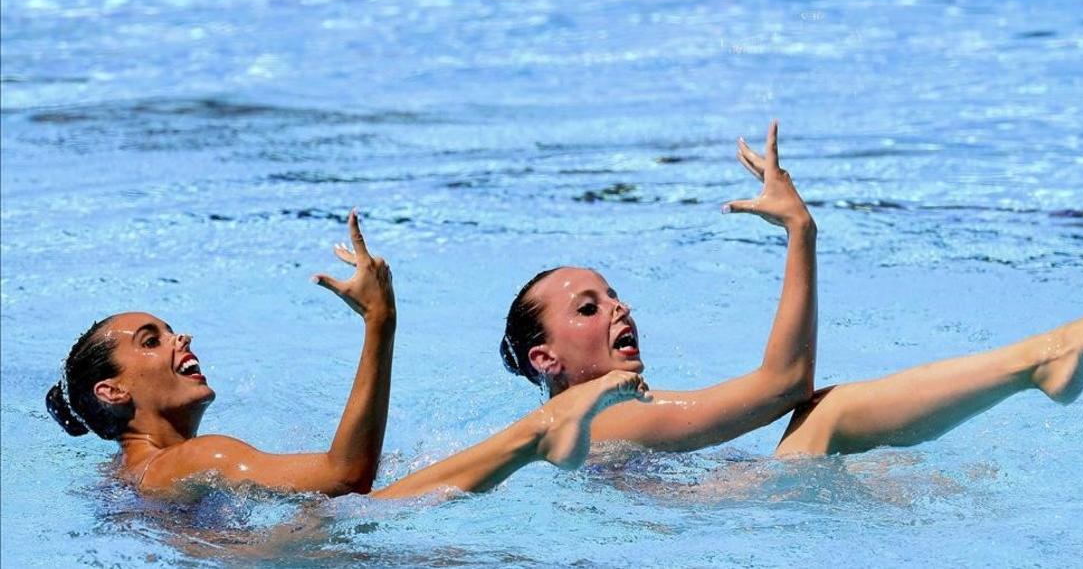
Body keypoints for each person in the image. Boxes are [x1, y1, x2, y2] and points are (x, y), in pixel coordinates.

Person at [500, 121, 1083, 456]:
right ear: (545, 358)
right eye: (588, 307)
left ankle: (1039, 364)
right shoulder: (604, 419)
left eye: (612, 294)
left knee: (834, 426)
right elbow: (783, 383)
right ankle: (1038, 359)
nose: (618, 306)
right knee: (825, 414)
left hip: (764, 510)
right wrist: (800, 231)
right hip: (765, 516)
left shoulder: (587, 423)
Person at [47, 211, 651, 499]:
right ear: (112, 391)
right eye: (151, 340)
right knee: (374, 506)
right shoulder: (195, 457)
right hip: (306, 554)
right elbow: (343, 477)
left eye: (172, 330)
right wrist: (380, 324)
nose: (182, 341)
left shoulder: (119, 481)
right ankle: (541, 429)